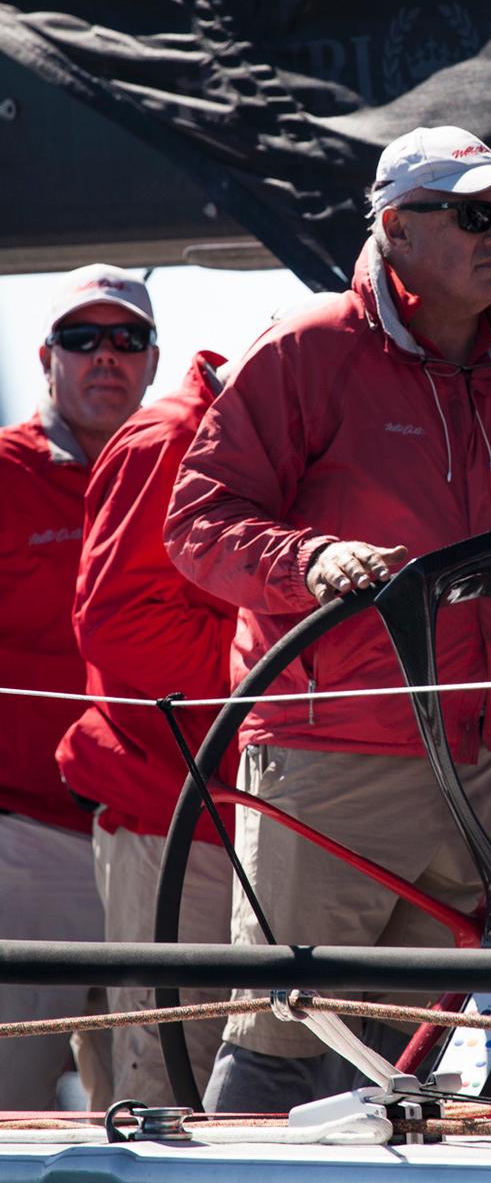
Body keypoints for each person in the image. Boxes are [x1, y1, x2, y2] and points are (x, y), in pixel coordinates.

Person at [165, 124, 491, 1112]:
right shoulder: (307, 351)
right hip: (335, 755)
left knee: (410, 1054)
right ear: (395, 227)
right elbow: (199, 523)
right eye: (473, 214)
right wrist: (308, 559)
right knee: (287, 1033)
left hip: (488, 761)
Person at [55, 350, 237, 1106]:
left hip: (268, 814)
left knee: (258, 1074)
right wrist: (278, 680)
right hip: (171, 813)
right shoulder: (173, 437)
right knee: (163, 1089)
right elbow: (119, 621)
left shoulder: (314, 438)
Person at [0, 264, 158, 1110]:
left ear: (152, 360)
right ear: (46, 358)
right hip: (28, 848)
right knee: (9, 1110)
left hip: (158, 841)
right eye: (82, 338)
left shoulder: (191, 475)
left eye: (127, 338)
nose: (107, 356)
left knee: (150, 1114)